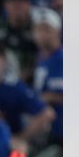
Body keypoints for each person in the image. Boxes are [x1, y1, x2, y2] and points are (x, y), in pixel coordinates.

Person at [31, 8, 62, 148]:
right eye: (38, 29)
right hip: (47, 135)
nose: (42, 34)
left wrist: (50, 97)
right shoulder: (39, 61)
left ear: (57, 31)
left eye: (47, 29)